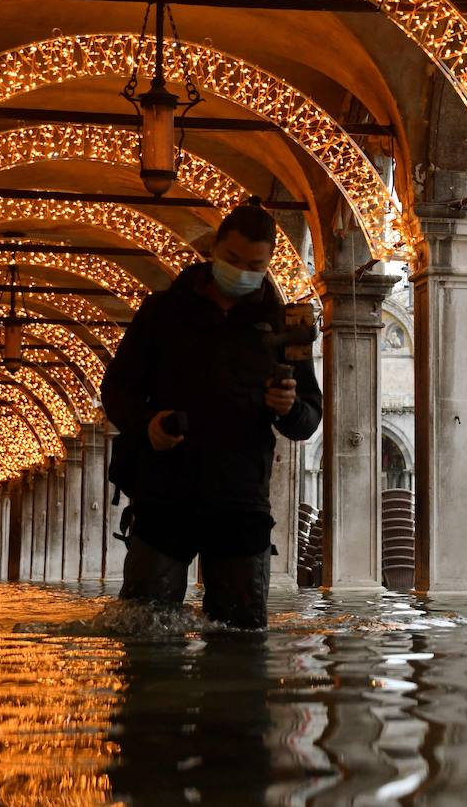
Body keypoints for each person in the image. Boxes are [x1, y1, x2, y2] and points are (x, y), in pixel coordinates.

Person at [101, 199, 322, 628]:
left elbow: (309, 418)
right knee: (146, 629)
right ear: (215, 250)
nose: (241, 271)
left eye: (254, 264)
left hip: (240, 500)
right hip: (164, 494)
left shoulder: (285, 325)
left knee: (241, 635)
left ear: (269, 262)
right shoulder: (161, 313)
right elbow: (117, 390)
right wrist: (147, 425)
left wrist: (289, 408)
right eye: (233, 259)